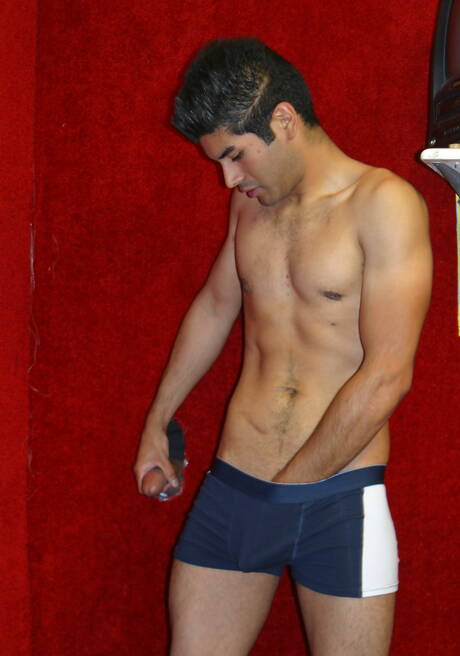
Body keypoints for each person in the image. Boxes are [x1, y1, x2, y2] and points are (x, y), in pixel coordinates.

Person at [133, 38, 432, 656]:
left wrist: (287, 496)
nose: (229, 178)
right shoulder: (249, 210)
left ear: (284, 119)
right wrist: (157, 420)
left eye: (235, 156)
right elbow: (216, 306)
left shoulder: (384, 204)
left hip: (338, 498)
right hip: (237, 486)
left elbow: (387, 374)